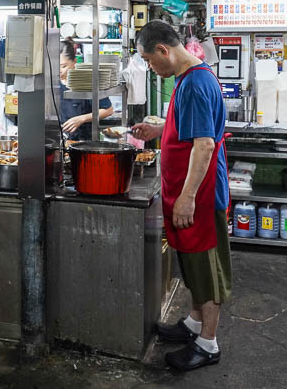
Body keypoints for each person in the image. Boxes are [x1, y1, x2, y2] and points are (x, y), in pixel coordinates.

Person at [130, 20, 230, 372]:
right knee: (190, 263)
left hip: (200, 196)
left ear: (163, 50)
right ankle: (192, 324)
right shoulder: (188, 78)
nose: (152, 69)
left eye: (151, 61)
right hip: (189, 191)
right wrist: (160, 129)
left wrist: (187, 198)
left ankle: (208, 343)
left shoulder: (196, 84)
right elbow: (190, 131)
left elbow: (203, 145)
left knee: (206, 270)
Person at [59, 38, 114, 140]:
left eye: (63, 66)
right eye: (55, 66)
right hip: (60, 140)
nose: (59, 71)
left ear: (74, 62)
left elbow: (108, 110)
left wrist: (82, 119)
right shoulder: (51, 84)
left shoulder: (86, 80)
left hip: (83, 141)